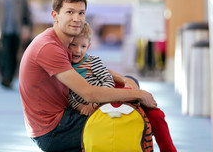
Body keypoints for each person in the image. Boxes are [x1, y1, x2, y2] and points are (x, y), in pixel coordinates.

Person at [19, 0, 157, 152]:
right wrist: (139, 94)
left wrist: (123, 79)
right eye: (70, 12)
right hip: (54, 130)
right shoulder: (49, 47)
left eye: (81, 13)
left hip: (63, 116)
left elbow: (89, 64)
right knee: (129, 121)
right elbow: (88, 93)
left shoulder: (62, 41)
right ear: (55, 16)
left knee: (130, 82)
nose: (77, 19)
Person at [68, 22, 177, 152]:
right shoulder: (66, 67)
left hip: (110, 95)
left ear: (89, 46)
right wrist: (81, 107)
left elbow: (107, 80)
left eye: (83, 46)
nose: (77, 50)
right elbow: (68, 95)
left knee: (155, 115)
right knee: (150, 114)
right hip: (97, 103)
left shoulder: (92, 62)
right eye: (73, 45)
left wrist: (96, 102)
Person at [0, 0, 32, 88]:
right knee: (5, 53)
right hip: (4, 29)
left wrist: (27, 28)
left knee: (14, 54)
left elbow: (26, 13)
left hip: (17, 29)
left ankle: (9, 78)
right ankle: (5, 77)